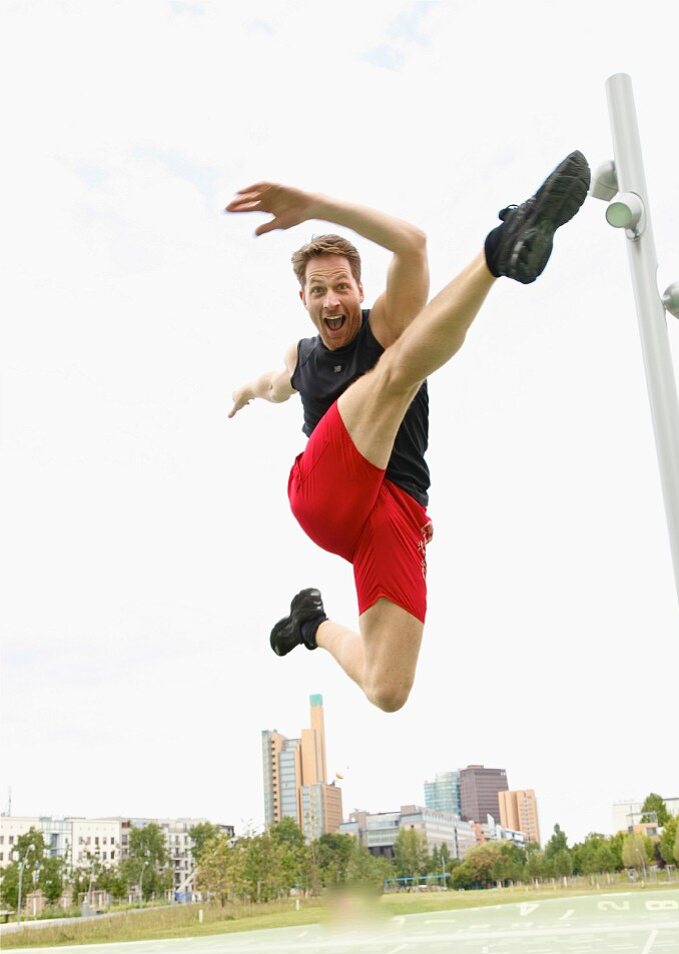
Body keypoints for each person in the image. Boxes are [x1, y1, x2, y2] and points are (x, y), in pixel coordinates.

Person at [227, 152, 590, 712]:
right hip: (323, 499)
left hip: (392, 508)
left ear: (359, 288)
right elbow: (270, 385)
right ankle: (500, 251)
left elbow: (412, 243)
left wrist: (315, 206)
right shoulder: (302, 360)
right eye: (318, 291)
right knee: (395, 374)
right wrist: (243, 394)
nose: (332, 301)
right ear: (303, 299)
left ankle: (310, 624)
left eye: (342, 287)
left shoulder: (385, 323)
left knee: (387, 689)